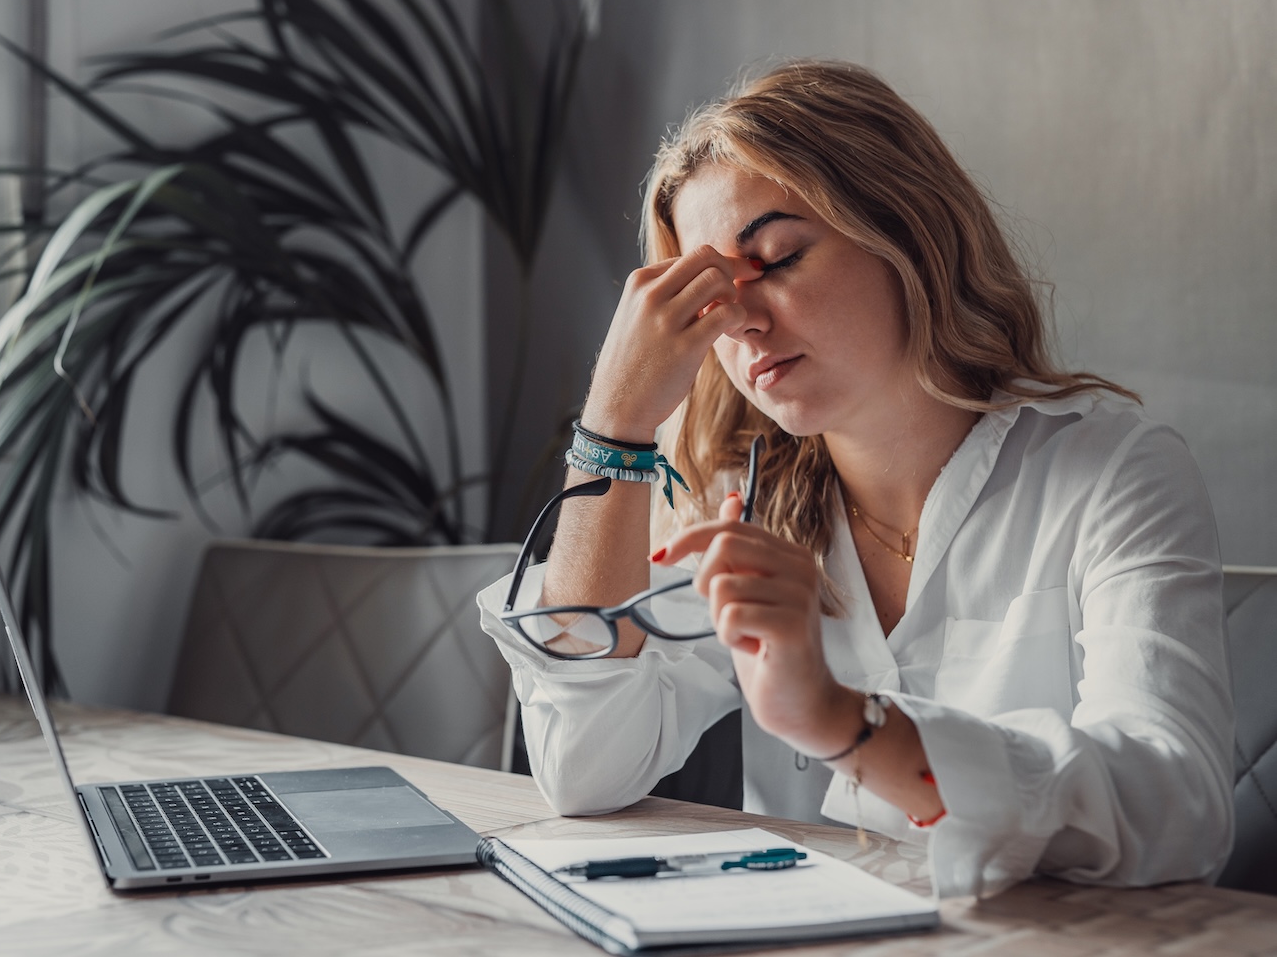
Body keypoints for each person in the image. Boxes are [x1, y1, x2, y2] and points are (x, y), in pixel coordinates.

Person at [477, 60, 1234, 898]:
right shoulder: (741, 500)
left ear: (905, 231)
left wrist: (847, 724)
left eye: (778, 258)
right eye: (710, 297)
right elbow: (582, 768)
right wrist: (614, 423)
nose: (746, 320)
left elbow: (1178, 810)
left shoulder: (1113, 474)